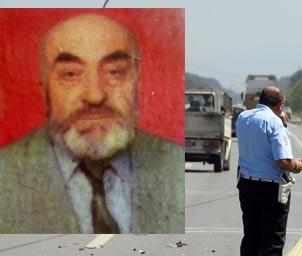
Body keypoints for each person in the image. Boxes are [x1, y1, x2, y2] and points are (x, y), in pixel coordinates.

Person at [0, 14, 183, 234]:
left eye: (114, 72)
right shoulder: (6, 174)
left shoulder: (175, 165)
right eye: (70, 74)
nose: (95, 95)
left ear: (138, 82)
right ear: (44, 87)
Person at [235, 86, 302, 256]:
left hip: (247, 185)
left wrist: (279, 120)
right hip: (271, 188)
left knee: (251, 239)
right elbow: (283, 161)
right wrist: (297, 164)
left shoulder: (243, 117)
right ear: (280, 105)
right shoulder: (274, 123)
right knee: (273, 242)